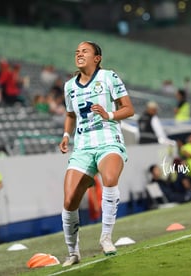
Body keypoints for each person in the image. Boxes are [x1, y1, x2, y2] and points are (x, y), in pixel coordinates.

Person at [59, 41, 134, 266]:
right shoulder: (69, 86)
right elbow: (71, 114)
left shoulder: (109, 77)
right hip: (82, 147)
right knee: (70, 200)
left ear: (97, 58)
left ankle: (106, 238)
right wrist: (65, 135)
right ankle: (73, 252)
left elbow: (128, 109)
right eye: (77, 51)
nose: (79, 54)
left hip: (108, 141)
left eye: (85, 51)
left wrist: (108, 115)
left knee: (110, 179)